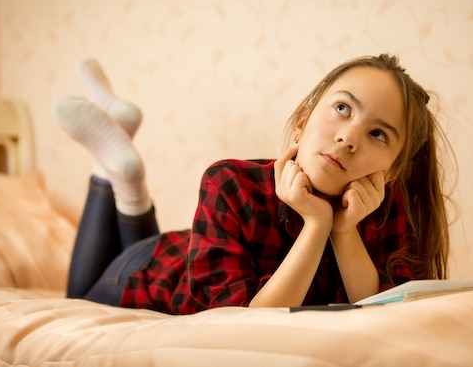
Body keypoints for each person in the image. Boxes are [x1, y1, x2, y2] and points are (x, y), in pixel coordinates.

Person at [52, 54, 450, 315]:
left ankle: (122, 167)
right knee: (75, 299)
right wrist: (316, 226)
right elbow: (247, 322)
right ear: (302, 120)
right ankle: (120, 176)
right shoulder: (230, 182)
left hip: (186, 249)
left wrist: (343, 231)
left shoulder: (387, 206)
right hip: (146, 272)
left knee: (124, 184)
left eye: (378, 134)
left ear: (393, 169)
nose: (349, 138)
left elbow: (380, 311)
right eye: (342, 108)